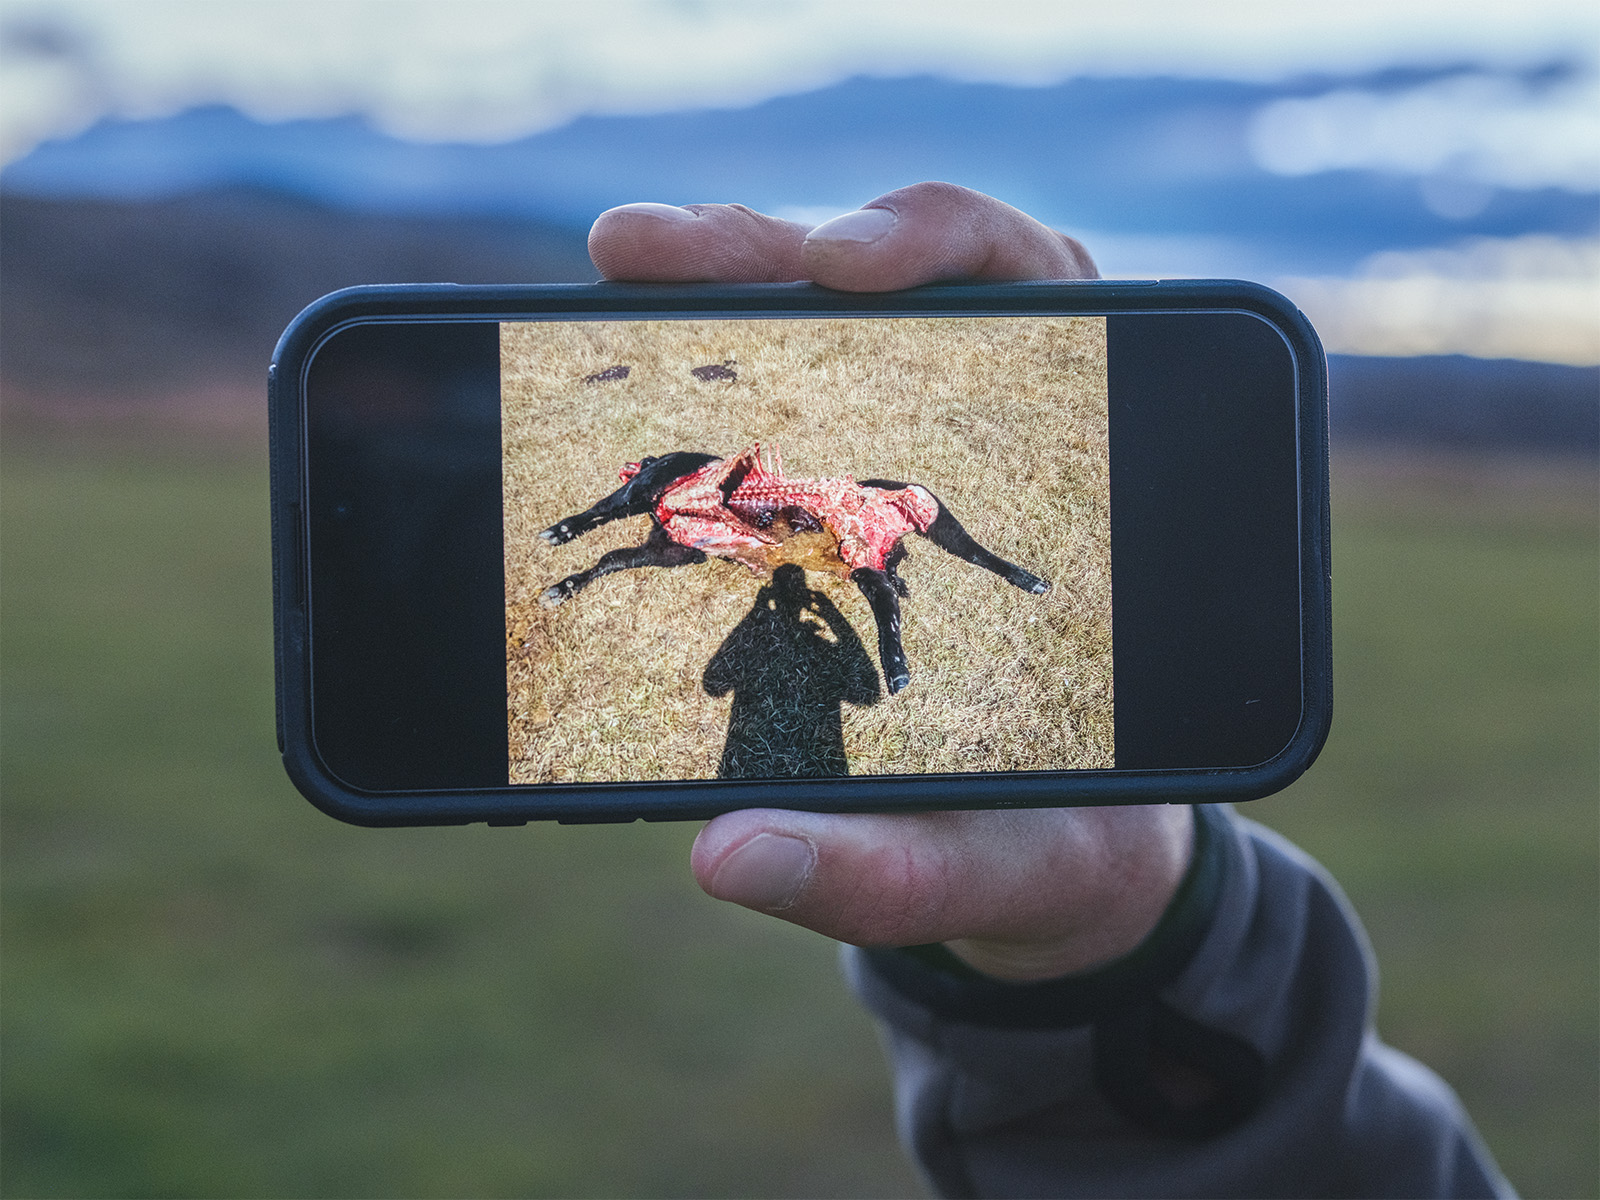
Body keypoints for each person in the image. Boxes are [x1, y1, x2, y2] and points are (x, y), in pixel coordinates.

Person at [587, 182, 1514, 1199]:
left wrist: (1137, 939)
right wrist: (1139, 941)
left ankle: (991, 584)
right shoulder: (794, 521)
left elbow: (756, 668)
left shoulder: (845, 526)